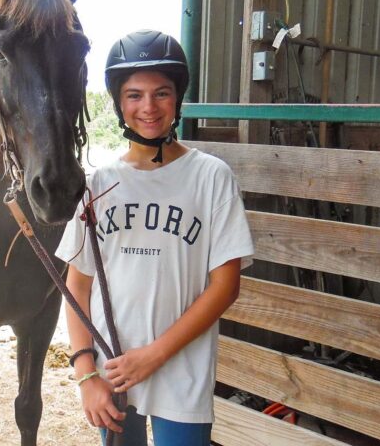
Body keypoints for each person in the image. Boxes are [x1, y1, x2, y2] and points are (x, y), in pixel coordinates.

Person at [55, 29, 254, 446]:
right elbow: (78, 285)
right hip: (113, 372)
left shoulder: (211, 177)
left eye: (161, 93)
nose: (148, 107)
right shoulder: (98, 185)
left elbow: (225, 286)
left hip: (182, 372)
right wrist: (86, 374)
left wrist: (153, 356)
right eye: (134, 95)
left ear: (177, 98)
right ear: (118, 103)